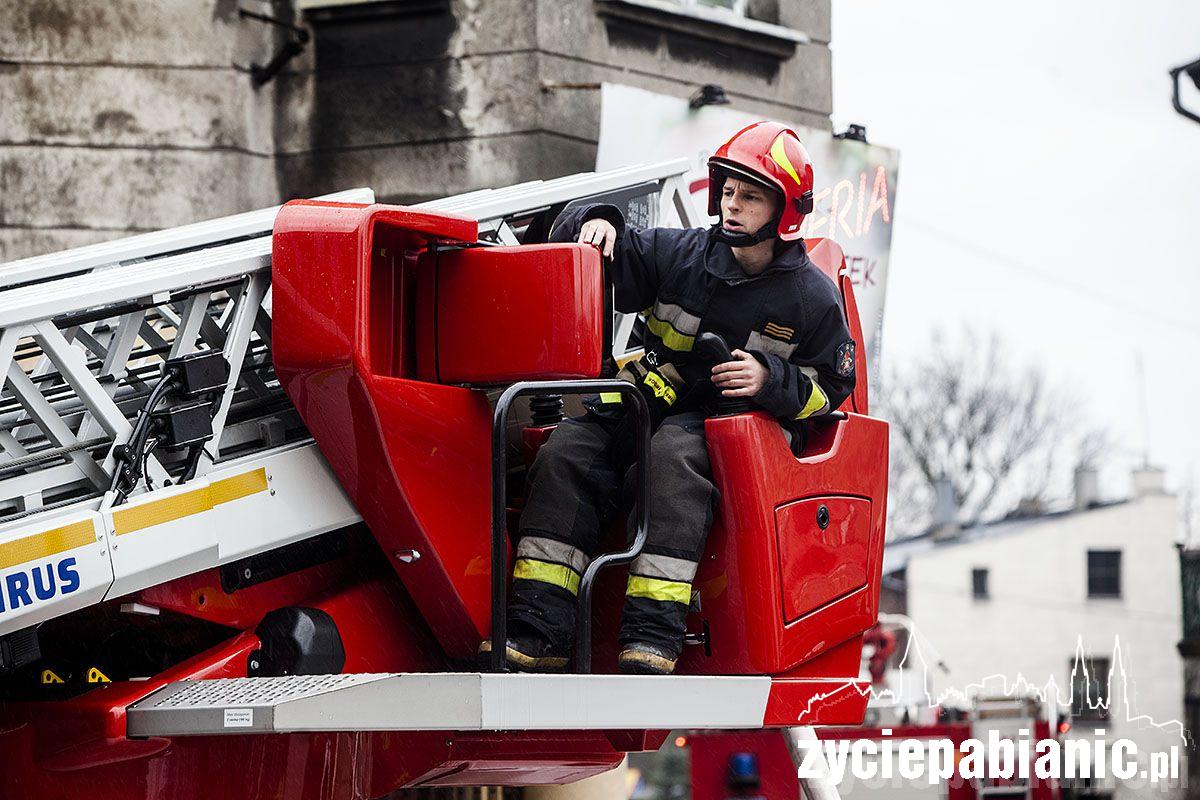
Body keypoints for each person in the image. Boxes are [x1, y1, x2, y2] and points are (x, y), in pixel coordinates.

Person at [482, 121, 857, 675]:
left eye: (750, 196)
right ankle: (540, 633)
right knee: (568, 453)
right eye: (727, 191)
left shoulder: (811, 299)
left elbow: (832, 389)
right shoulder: (684, 254)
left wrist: (769, 380)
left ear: (785, 211)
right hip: (643, 403)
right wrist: (601, 223)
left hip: (721, 425)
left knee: (674, 462)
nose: (732, 205)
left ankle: (651, 639)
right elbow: (626, 250)